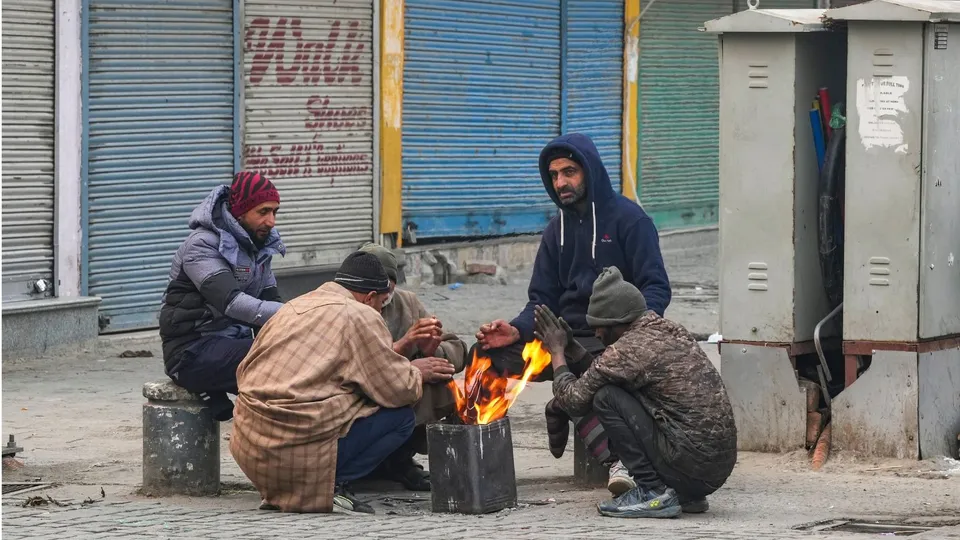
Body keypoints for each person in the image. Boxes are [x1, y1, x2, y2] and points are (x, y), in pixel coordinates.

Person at [474, 133, 672, 494]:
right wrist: (516, 331)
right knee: (486, 356)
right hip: (557, 341)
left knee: (592, 382)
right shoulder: (556, 230)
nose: (561, 182)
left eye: (569, 172)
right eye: (554, 175)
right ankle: (479, 460)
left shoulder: (631, 221)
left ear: (590, 171)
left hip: (610, 342)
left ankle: (618, 460)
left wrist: (633, 337)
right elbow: (541, 299)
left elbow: (656, 288)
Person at [230, 251, 456, 514]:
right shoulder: (361, 314)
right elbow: (398, 389)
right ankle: (333, 484)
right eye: (382, 303)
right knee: (400, 417)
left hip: (250, 449)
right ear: (370, 297)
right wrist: (416, 371)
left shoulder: (294, 306)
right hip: (293, 452)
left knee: (350, 397)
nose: (381, 310)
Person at [533, 267, 737, 519]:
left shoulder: (629, 348)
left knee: (605, 397)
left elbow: (573, 399)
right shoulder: (669, 331)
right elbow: (607, 371)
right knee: (613, 389)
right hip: (713, 472)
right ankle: (685, 495)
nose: (596, 334)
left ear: (616, 323)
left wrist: (557, 352)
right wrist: (575, 350)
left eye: (599, 326)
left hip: (689, 464)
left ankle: (652, 491)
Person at [158, 171, 285, 421]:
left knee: (294, 358)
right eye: (263, 212)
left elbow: (272, 303)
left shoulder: (260, 247)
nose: (271, 221)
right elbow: (233, 303)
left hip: (228, 344)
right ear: (239, 211)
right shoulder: (202, 245)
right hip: (190, 352)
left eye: (274, 212)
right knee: (277, 362)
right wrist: (300, 312)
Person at [357, 243, 468, 491]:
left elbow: (458, 350)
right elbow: (359, 366)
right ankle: (366, 462)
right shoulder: (349, 307)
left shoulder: (408, 303)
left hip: (402, 391)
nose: (383, 293)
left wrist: (433, 350)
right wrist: (408, 356)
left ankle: (400, 460)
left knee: (444, 387)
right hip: (362, 395)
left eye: (388, 284)